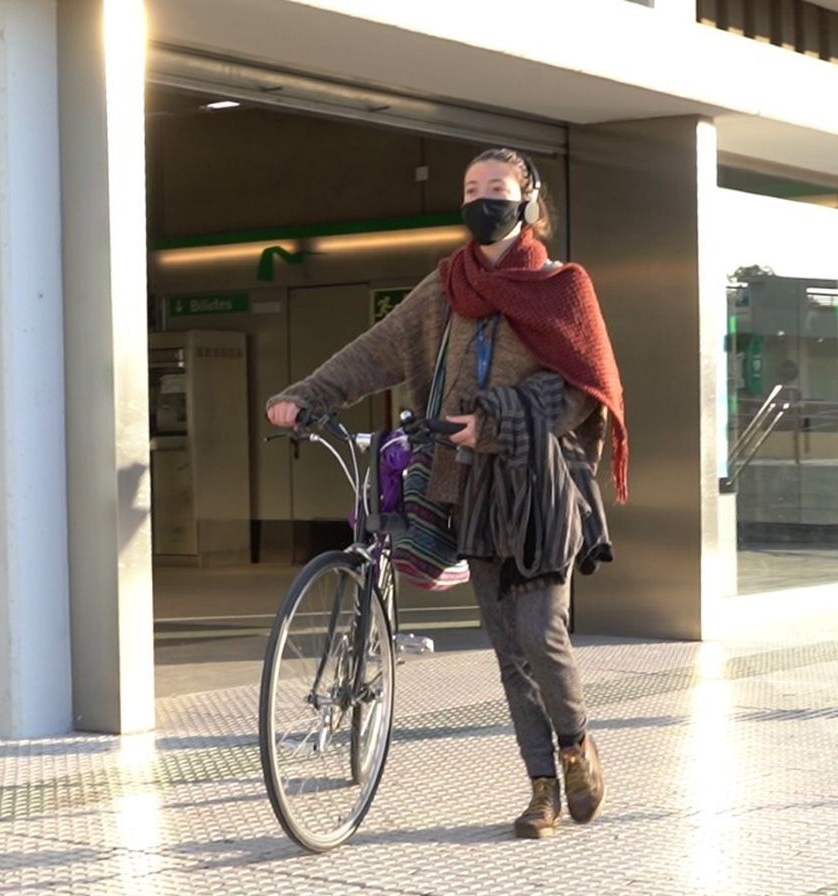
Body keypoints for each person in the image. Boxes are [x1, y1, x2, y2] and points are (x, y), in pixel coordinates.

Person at [266, 147, 628, 839]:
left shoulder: (563, 286)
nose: (482, 199)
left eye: (497, 187)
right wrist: (305, 395)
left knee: (540, 630)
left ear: (526, 200)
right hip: (469, 491)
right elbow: (377, 349)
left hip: (542, 489)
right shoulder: (447, 286)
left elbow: (586, 391)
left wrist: (493, 424)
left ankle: (577, 743)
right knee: (507, 647)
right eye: (471, 188)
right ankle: (541, 789)